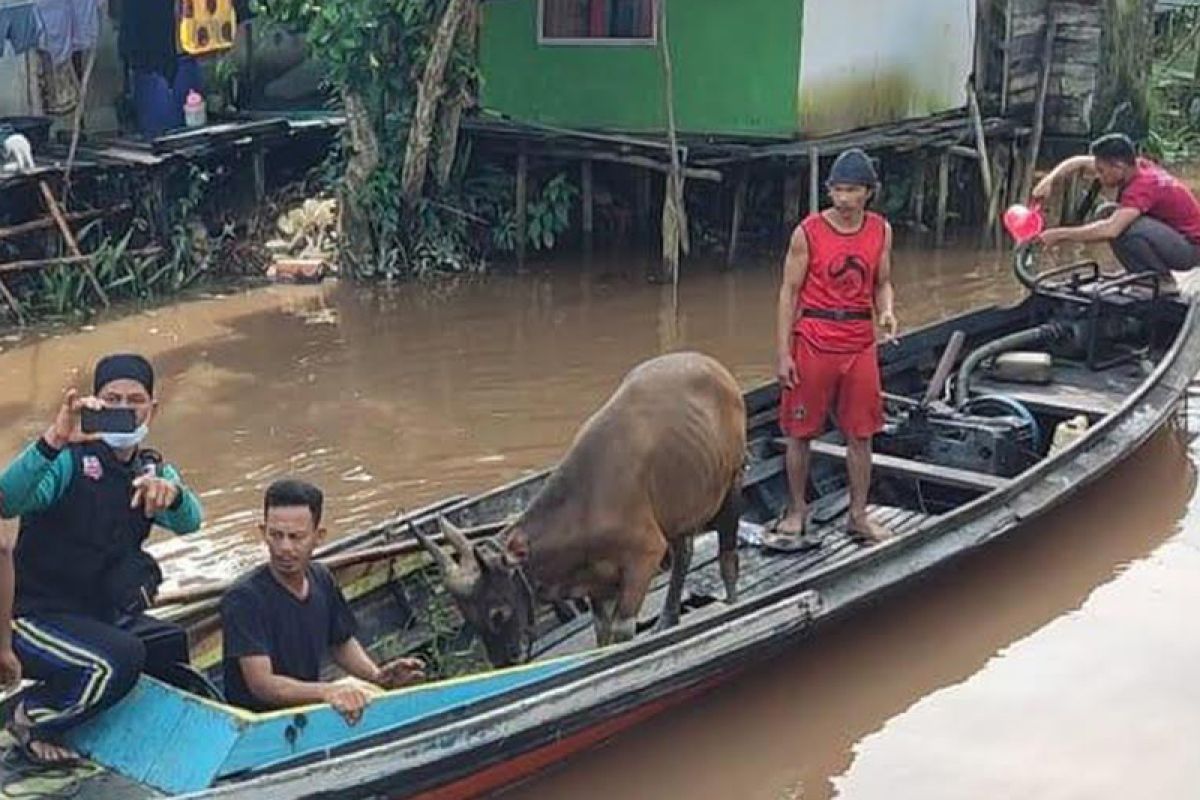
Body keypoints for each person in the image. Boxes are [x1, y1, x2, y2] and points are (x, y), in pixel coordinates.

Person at [0, 353, 203, 765]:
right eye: (112, 400)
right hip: (33, 617)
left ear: (153, 409)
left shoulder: (151, 471)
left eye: (135, 400)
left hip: (93, 616)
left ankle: (150, 735)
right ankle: (33, 717)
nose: (124, 410)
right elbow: (7, 500)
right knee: (118, 660)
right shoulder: (65, 462)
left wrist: (175, 496)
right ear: (94, 403)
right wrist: (54, 439)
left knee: (168, 642)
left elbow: (190, 523)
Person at [769, 148, 897, 549]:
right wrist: (783, 352)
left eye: (852, 191)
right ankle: (795, 510)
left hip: (859, 340)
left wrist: (887, 312)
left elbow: (882, 281)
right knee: (799, 431)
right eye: (837, 190)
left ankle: (858, 515)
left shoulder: (880, 230)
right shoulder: (807, 232)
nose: (843, 199)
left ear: (868, 193)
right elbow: (788, 293)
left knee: (862, 433)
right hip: (815, 337)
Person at [221, 479, 425, 725]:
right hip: (259, 724)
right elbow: (263, 685)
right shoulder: (244, 598)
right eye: (276, 535)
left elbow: (340, 642)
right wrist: (327, 692)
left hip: (307, 711)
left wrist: (377, 676)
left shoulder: (321, 578)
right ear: (263, 532)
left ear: (319, 537)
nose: (285, 547)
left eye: (296, 537)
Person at [1034, 133, 1200, 285]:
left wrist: (1060, 234)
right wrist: (1049, 180)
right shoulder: (1137, 166)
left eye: (1101, 171)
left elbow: (1111, 230)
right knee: (1107, 212)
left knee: (1126, 227)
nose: (1098, 176)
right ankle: (1142, 273)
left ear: (1118, 167)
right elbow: (1077, 162)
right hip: (1175, 238)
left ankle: (1159, 281)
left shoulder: (1142, 186)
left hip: (1190, 250)